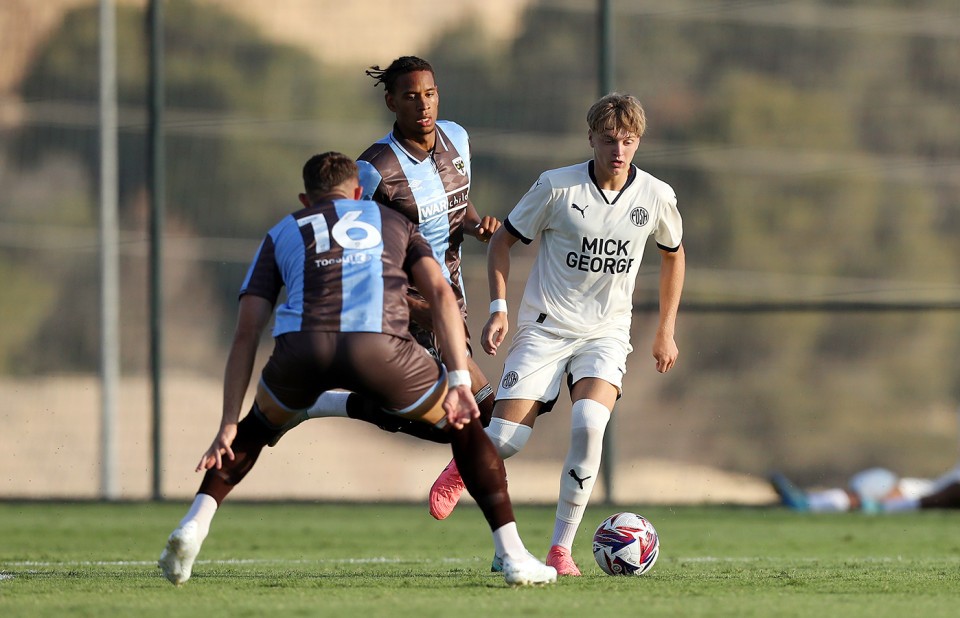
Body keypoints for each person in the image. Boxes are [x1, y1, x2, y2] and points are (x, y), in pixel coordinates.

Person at [157, 152, 556, 587]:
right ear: (359, 193)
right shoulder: (394, 222)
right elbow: (441, 295)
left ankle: (193, 526)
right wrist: (460, 381)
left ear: (305, 199)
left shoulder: (283, 231)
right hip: (378, 347)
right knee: (467, 429)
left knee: (253, 428)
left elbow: (246, 331)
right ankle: (513, 555)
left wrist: (226, 424)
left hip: (302, 350)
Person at [428, 93, 686, 576]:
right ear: (590, 139)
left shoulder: (655, 195)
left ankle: (559, 550)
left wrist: (665, 331)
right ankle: (461, 467)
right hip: (546, 329)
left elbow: (674, 254)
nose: (619, 150)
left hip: (606, 334)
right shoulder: (556, 187)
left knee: (590, 426)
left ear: (638, 143)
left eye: (628, 141)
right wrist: (500, 309)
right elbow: (502, 240)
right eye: (609, 140)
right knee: (504, 439)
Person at [283, 56, 500, 441]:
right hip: (402, 303)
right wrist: (414, 309)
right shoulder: (373, 168)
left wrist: (477, 226)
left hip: (449, 295)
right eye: (411, 96)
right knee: (483, 414)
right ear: (391, 102)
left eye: (430, 94)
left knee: (441, 419)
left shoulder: (458, 139)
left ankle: (321, 403)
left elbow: (457, 201)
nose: (423, 104)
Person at [770, 465, 960, 513]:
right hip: (927, 488)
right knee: (877, 479)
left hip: (928, 495)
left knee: (877, 482)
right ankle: (811, 502)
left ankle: (811, 503)